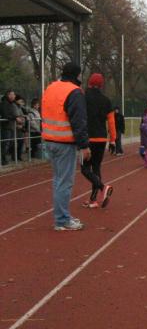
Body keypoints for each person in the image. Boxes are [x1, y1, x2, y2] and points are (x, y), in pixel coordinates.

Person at [42, 62, 90, 230]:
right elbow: (78, 121)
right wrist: (84, 145)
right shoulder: (74, 92)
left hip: (49, 140)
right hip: (64, 142)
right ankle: (62, 220)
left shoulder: (50, 88)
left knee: (58, 181)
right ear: (77, 75)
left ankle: (61, 217)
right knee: (64, 183)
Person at [80, 73, 115, 208]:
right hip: (101, 138)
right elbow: (111, 122)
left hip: (88, 138)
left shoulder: (83, 98)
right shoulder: (106, 100)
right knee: (96, 167)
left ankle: (102, 187)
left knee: (84, 169)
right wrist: (113, 140)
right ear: (101, 85)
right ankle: (93, 200)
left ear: (89, 83)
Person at [1, 89, 24, 165]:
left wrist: (18, 117)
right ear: (8, 95)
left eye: (14, 94)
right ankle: (3, 159)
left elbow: (14, 113)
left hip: (11, 126)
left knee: (10, 143)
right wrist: (15, 118)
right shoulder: (4, 103)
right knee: (5, 143)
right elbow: (5, 115)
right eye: (12, 94)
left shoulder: (11, 103)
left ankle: (5, 158)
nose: (14, 96)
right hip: (6, 127)